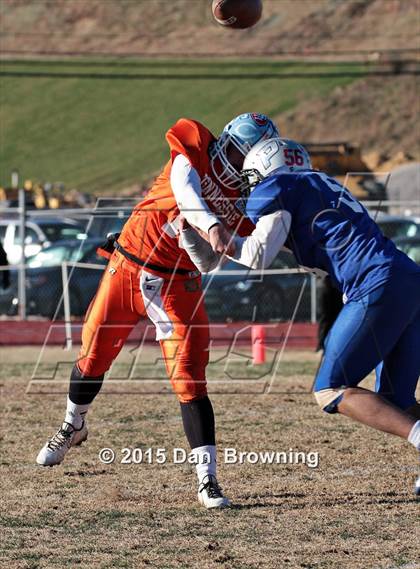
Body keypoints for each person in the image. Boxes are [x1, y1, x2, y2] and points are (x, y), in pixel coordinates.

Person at [36, 113, 280, 509]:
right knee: (93, 357)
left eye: (244, 156)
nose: (235, 162)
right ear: (224, 142)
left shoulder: (246, 201)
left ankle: (208, 480)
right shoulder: (195, 149)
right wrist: (211, 224)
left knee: (189, 379)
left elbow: (207, 264)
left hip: (176, 284)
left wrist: (194, 235)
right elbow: (185, 190)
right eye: (233, 150)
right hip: (129, 265)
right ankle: (73, 424)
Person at [181, 137, 420, 495]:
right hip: (408, 277)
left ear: (266, 170)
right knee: (396, 401)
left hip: (376, 283)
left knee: (330, 390)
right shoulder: (318, 184)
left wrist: (213, 232)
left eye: (252, 178)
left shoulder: (278, 187)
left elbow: (258, 257)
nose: (250, 187)